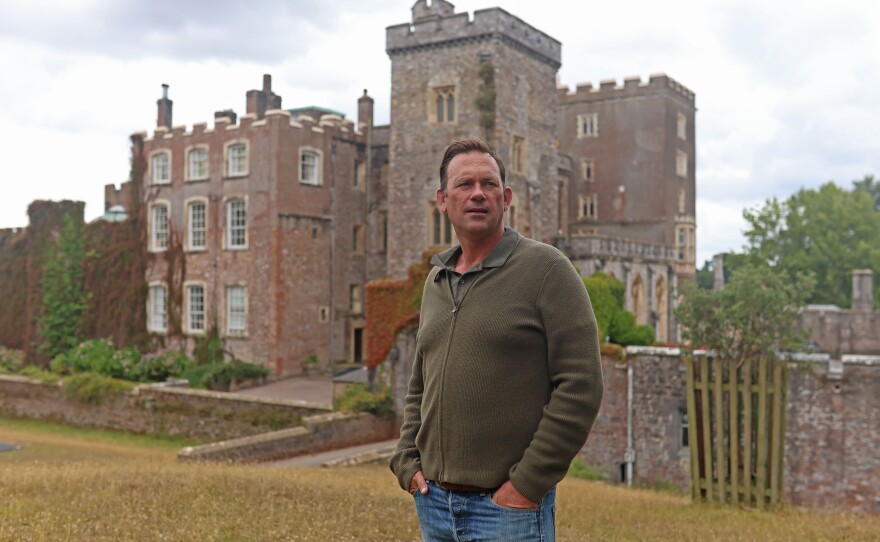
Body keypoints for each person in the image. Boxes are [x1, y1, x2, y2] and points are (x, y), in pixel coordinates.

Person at [389, 137, 604, 541]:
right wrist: (406, 459)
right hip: (434, 504)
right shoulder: (437, 279)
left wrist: (527, 484)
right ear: (442, 200)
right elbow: (420, 381)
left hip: (506, 514)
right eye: (464, 184)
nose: (477, 194)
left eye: (488, 184)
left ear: (505, 199)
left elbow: (582, 385)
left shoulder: (546, 270)